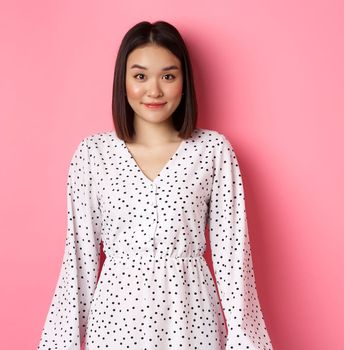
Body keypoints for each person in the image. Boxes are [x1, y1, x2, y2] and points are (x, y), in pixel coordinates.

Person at [37, 20, 274, 350]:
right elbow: (78, 260)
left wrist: (244, 339)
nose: (154, 90)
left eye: (168, 76)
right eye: (140, 76)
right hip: (115, 324)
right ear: (123, 82)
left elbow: (233, 259)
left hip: (191, 319)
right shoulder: (93, 155)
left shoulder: (212, 151)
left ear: (183, 82)